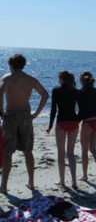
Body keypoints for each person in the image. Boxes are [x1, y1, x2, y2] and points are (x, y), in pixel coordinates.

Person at [0, 54, 49, 194]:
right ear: (23, 65)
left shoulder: (7, 77)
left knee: (8, 152)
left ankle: (3, 187)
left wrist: (2, 110)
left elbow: (0, 92)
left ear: (10, 65)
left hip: (10, 116)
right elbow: (45, 95)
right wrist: (36, 114)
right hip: (26, 115)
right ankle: (31, 183)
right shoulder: (30, 79)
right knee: (28, 151)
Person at [46, 71, 80, 189]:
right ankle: (74, 181)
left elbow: (53, 110)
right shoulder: (76, 91)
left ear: (61, 79)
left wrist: (50, 125)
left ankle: (62, 181)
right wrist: (78, 120)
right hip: (73, 122)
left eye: (58, 78)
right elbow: (81, 108)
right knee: (71, 153)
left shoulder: (56, 90)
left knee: (61, 153)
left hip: (61, 122)